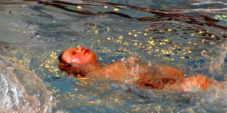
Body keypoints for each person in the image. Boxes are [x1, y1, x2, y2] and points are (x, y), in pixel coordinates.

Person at [58, 46, 215, 92]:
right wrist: (179, 87)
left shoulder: (107, 69)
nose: (80, 48)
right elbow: (137, 89)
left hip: (171, 83)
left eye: (77, 48)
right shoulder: (95, 81)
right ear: (71, 67)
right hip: (170, 89)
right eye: (74, 52)